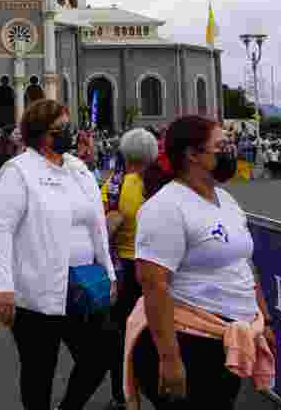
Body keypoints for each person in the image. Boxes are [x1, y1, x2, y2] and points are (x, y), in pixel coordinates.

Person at [126, 115, 276, 410]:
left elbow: (243, 266)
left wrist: (264, 319)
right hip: (187, 342)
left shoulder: (226, 200)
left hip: (224, 340)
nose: (231, 151)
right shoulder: (166, 207)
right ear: (193, 155)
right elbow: (153, 285)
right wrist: (170, 359)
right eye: (221, 146)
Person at [0, 99, 117, 410]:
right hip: (37, 289)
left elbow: (97, 225)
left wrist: (109, 273)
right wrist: (3, 287)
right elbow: (2, 229)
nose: (70, 134)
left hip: (83, 285)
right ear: (41, 134)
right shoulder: (18, 172)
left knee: (101, 355)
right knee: (39, 372)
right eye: (61, 128)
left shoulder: (77, 169)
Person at [103, 128, 157, 409]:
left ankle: (120, 392)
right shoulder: (159, 187)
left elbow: (102, 226)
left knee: (121, 334)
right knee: (155, 331)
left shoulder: (112, 184)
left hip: (121, 269)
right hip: (154, 270)